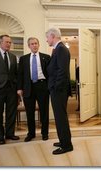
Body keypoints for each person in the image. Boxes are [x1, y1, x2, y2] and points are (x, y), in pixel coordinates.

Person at [17, 37, 50, 142]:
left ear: (38, 45)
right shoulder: (23, 59)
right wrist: (19, 88)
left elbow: (50, 73)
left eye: (36, 43)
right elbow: (20, 75)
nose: (34, 45)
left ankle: (45, 133)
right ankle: (31, 134)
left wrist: (49, 87)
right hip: (28, 87)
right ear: (29, 46)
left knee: (44, 111)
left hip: (42, 86)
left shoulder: (46, 57)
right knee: (29, 112)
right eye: (32, 44)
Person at [46, 27, 73, 155]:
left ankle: (67, 145)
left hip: (59, 90)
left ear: (53, 36)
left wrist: (55, 88)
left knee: (60, 118)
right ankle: (63, 141)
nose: (46, 40)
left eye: (47, 38)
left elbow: (62, 72)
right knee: (59, 117)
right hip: (57, 89)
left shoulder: (61, 49)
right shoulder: (57, 49)